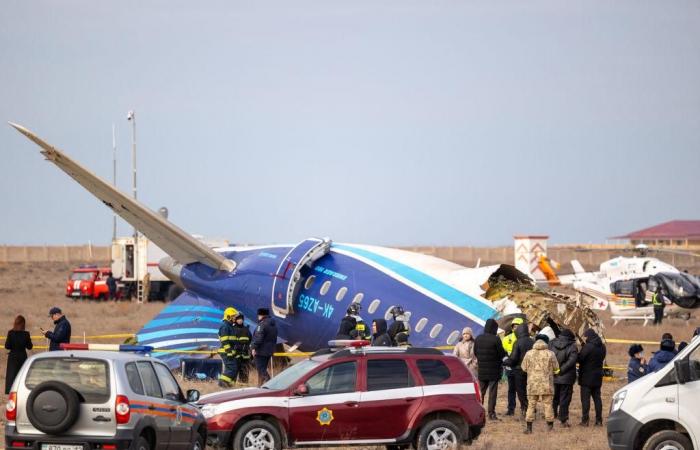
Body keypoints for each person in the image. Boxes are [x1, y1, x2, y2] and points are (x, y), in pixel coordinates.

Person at [521, 334, 560, 434]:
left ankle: (529, 428)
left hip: (532, 384)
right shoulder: (550, 354)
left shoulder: (528, 353)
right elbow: (556, 368)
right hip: (547, 384)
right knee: (548, 405)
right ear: (546, 342)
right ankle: (550, 428)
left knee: (531, 405)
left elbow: (524, 368)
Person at [474, 318, 506, 421]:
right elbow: (501, 354)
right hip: (494, 370)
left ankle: (478, 413)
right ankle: (491, 413)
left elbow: (475, 352)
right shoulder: (496, 339)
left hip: (482, 370)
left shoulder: (478, 338)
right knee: (492, 393)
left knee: (480, 392)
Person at [549, 328, 578, 427]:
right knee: (565, 399)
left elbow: (549, 357)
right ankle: (563, 419)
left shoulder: (552, 344)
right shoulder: (572, 346)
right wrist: (561, 370)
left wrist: (555, 369)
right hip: (567, 377)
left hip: (554, 375)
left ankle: (552, 415)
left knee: (554, 397)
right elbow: (572, 361)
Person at [577, 328, 606, 426]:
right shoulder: (602, 346)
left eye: (586, 336)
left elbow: (580, 359)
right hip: (598, 376)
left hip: (586, 377)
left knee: (585, 400)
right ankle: (599, 420)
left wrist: (581, 350)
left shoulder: (588, 347)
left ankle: (585, 421)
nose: (585, 338)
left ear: (589, 336)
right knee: (597, 399)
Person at [505, 322, 534, 419]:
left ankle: (525, 409)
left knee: (521, 391)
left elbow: (513, 358)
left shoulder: (517, 342)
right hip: (531, 370)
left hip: (519, 370)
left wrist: (505, 362)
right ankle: (531, 409)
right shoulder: (532, 341)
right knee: (530, 391)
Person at [5, 315, 33, 394]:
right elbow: (30, 347)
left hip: (13, 357)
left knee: (11, 375)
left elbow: (7, 346)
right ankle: (20, 391)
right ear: (23, 324)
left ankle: (10, 392)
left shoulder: (10, 333)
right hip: (22, 356)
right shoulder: (26, 334)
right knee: (21, 375)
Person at [502, 317, 524, 416]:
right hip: (510, 368)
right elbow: (504, 352)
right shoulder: (506, 339)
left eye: (518, 327)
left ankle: (524, 407)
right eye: (514, 327)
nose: (516, 329)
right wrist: (507, 362)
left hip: (521, 369)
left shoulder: (526, 339)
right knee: (511, 389)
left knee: (522, 389)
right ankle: (511, 409)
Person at [251, 308, 278, 386]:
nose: (258, 317)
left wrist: (253, 347)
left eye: (258, 315)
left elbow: (259, 339)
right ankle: (260, 386)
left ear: (261, 315)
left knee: (261, 369)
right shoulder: (273, 325)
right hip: (269, 351)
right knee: (262, 370)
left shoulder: (262, 325)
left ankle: (271, 384)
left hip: (261, 351)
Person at [217, 307, 238, 387]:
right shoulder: (225, 326)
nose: (234, 318)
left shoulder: (229, 326)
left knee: (233, 368)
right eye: (233, 316)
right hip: (226, 351)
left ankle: (229, 385)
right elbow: (225, 341)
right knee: (231, 368)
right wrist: (229, 352)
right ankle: (222, 382)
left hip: (229, 351)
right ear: (228, 317)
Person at [232, 312, 252, 384]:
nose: (240, 320)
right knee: (233, 373)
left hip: (245, 356)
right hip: (235, 355)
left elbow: (250, 340)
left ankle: (244, 388)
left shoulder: (247, 329)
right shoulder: (232, 329)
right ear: (236, 320)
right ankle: (231, 388)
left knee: (244, 374)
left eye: (241, 319)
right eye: (238, 319)